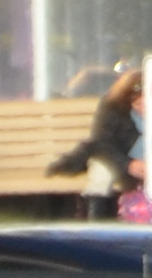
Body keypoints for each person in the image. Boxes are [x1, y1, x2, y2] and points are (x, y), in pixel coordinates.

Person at [49, 65, 145, 199]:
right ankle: (95, 214)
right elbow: (101, 142)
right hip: (118, 158)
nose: (143, 108)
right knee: (101, 171)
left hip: (150, 163)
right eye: (138, 104)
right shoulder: (113, 106)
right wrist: (128, 164)